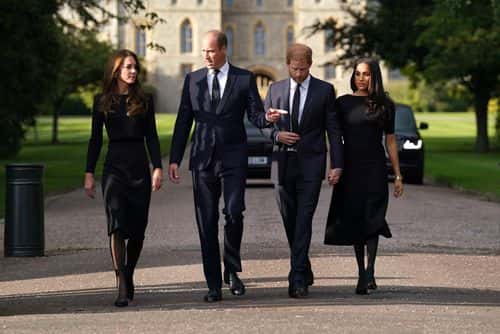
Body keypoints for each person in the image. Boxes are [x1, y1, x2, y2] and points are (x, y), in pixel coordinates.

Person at [168, 30, 279, 302]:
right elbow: (184, 121)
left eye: (211, 51)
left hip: (233, 158)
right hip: (203, 160)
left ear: (223, 50)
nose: (206, 56)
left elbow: (255, 114)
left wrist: (268, 118)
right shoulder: (193, 80)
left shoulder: (243, 78)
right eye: (203, 51)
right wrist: (174, 158)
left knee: (234, 213)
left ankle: (231, 269)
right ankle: (213, 284)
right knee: (206, 222)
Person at [262, 43, 344, 298]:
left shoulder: (324, 90)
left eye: (304, 69)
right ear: (287, 65)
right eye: (295, 69)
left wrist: (337, 164)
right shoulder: (274, 90)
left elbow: (333, 129)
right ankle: (304, 265)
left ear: (311, 65)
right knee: (290, 221)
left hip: (311, 164)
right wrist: (276, 134)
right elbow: (262, 125)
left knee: (304, 219)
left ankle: (297, 278)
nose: (299, 74)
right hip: (282, 165)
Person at [84, 49, 163, 307]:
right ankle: (120, 284)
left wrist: (157, 167)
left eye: (135, 67)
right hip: (114, 168)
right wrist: (88, 173)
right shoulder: (102, 101)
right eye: (128, 67)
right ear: (116, 70)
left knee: (138, 230)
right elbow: (95, 140)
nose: (132, 71)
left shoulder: (145, 100)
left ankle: (128, 273)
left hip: (139, 166)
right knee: (116, 223)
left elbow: (151, 136)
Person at [324, 58, 403, 295]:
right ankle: (361, 272)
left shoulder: (385, 105)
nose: (361, 78)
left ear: (374, 77)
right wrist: (334, 166)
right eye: (357, 73)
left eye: (366, 74)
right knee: (356, 219)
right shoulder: (342, 103)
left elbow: (390, 140)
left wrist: (398, 175)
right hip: (350, 169)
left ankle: (370, 270)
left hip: (375, 168)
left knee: (373, 218)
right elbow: (334, 137)